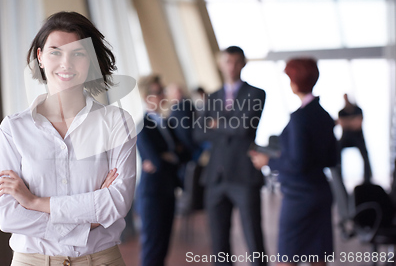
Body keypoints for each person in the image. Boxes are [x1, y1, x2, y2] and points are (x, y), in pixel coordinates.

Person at [0, 11, 137, 266]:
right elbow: (9, 217)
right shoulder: (13, 129)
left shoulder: (115, 123)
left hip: (101, 260)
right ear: (40, 56)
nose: (66, 63)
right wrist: (90, 217)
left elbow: (117, 203)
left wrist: (35, 202)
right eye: (55, 51)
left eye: (78, 53)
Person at [250, 58, 337, 266]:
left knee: (287, 258)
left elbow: (297, 164)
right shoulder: (324, 115)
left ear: (295, 82)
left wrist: (268, 162)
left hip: (299, 196)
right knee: (318, 257)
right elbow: (332, 158)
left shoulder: (300, 118)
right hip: (321, 191)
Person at [195, 46, 267, 266]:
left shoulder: (256, 94)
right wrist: (229, 125)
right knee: (219, 246)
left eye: (236, 62)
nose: (231, 66)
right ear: (220, 64)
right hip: (215, 178)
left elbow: (245, 127)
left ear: (243, 64)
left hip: (244, 175)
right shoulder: (212, 96)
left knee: (254, 240)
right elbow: (198, 132)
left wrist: (216, 124)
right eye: (227, 62)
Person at [136, 75, 182, 266]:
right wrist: (167, 157)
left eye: (162, 90)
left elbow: (183, 153)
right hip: (152, 195)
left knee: (163, 249)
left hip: (168, 190)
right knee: (152, 250)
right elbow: (158, 161)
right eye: (158, 92)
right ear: (148, 97)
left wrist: (167, 157)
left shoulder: (167, 123)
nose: (163, 94)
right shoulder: (141, 126)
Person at [337, 93, 372, 183]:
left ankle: (367, 179)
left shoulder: (357, 109)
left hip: (358, 138)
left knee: (365, 155)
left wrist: (346, 122)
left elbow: (357, 124)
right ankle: (338, 179)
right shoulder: (341, 112)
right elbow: (341, 123)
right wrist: (352, 121)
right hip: (346, 138)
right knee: (336, 152)